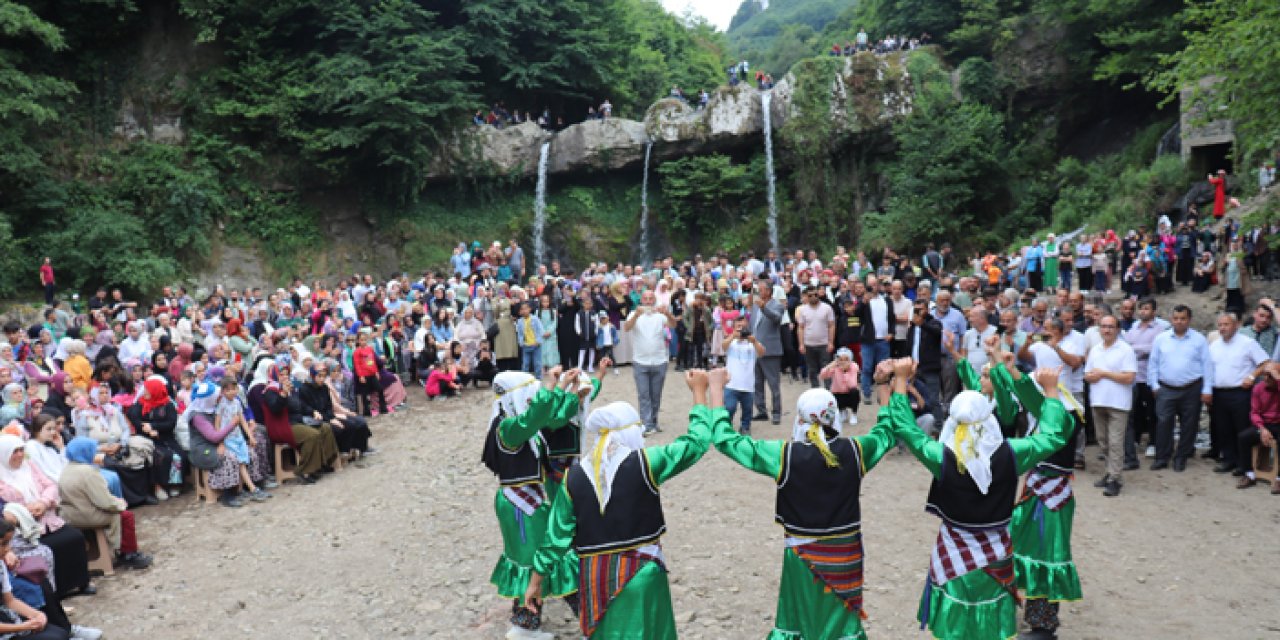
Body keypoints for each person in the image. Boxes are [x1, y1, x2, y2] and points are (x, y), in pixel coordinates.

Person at [523, 369, 726, 639]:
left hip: (595, 578)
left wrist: (535, 583)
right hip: (642, 574)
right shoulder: (646, 463)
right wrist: (699, 393)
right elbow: (696, 443)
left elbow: (555, 539)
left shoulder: (574, 478)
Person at [889, 359, 1070, 640]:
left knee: (956, 614)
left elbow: (905, 428)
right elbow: (1054, 435)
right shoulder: (1012, 454)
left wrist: (900, 381)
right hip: (996, 549)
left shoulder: (942, 457)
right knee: (991, 617)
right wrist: (1052, 393)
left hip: (953, 547)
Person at [710, 376, 899, 639]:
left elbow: (727, 441)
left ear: (799, 418)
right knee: (841, 621)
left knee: (800, 618)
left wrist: (716, 392)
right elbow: (887, 432)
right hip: (846, 555)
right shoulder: (855, 450)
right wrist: (890, 386)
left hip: (802, 555)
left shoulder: (784, 455)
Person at [481, 368, 582, 637]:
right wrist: (551, 386)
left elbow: (549, 416)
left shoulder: (514, 424)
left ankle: (525, 624)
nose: (531, 399)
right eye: (529, 394)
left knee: (535, 559)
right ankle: (588, 621)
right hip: (520, 505)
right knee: (543, 558)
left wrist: (562, 387)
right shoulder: (509, 428)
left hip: (525, 501)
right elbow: (536, 416)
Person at [0, 436, 90, 599]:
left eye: (21, 450)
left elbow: (50, 485)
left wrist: (43, 502)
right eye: (14, 452)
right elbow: (6, 506)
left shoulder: (29, 466)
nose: (20, 455)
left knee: (75, 537)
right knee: (49, 548)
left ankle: (80, 582)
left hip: (47, 517)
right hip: (24, 530)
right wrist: (26, 510)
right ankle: (57, 592)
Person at [57, 437, 152, 570]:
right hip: (86, 516)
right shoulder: (88, 472)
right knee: (125, 516)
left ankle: (123, 552)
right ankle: (128, 554)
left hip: (70, 515)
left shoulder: (67, 469)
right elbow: (104, 501)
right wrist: (120, 503)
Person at [1148, 305, 1213, 472]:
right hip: (1166, 388)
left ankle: (1181, 457)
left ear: (1189, 320)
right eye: (1176, 318)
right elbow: (1153, 363)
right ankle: (1162, 457)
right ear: (1171, 319)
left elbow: (1207, 365)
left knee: (1189, 424)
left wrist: (1207, 389)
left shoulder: (1199, 339)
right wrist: (1154, 385)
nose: (1179, 321)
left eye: (1183, 318)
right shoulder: (1161, 338)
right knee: (1163, 423)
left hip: (1191, 388)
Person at [1207, 312, 1270, 477]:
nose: (1222, 328)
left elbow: (1265, 363)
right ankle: (1228, 460)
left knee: (1241, 428)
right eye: (1220, 325)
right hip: (1219, 392)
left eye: (1226, 324)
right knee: (1223, 428)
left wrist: (1252, 376)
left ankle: (1244, 465)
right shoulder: (1214, 345)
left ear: (1236, 325)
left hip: (1240, 393)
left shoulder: (1247, 343)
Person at [1084, 315, 1137, 496]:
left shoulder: (1125, 350)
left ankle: (1115, 479)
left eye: (1110, 327)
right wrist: (1092, 376)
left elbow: (1129, 377)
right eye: (1103, 326)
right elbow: (1087, 374)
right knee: (1103, 441)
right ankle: (1109, 472)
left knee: (1115, 442)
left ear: (1117, 329)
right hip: (1098, 401)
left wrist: (1104, 374)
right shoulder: (1095, 350)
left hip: (1118, 403)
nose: (1106, 330)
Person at [624, 291, 677, 435]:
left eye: (650, 299)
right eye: (645, 299)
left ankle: (653, 421)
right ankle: (646, 424)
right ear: (641, 300)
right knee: (644, 394)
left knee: (656, 394)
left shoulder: (660, 315)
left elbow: (673, 325)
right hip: (640, 361)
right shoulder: (634, 314)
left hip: (660, 360)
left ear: (654, 300)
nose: (648, 301)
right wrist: (636, 315)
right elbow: (626, 328)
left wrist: (667, 313)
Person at [1238, 362, 1280, 492]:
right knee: (1243, 437)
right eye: (1264, 375)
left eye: (1270, 375)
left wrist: (1278, 379)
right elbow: (1254, 412)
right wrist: (1262, 429)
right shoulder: (1258, 388)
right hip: (1264, 424)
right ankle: (1249, 474)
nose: (1266, 378)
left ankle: (1279, 479)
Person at [748, 283, 785, 426]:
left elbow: (776, 318)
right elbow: (753, 326)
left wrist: (764, 307)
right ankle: (761, 410)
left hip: (771, 350)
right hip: (755, 350)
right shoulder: (755, 306)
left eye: (761, 290)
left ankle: (776, 412)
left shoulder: (778, 305)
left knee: (773, 383)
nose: (758, 292)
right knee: (757, 383)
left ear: (769, 291)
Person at [722, 317, 764, 435]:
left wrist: (754, 341)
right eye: (738, 327)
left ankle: (745, 427)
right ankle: (726, 426)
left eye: (743, 327)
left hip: (748, 385)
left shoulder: (752, 343)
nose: (741, 330)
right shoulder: (732, 342)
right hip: (731, 384)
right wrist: (732, 336)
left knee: (747, 410)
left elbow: (762, 353)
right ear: (734, 328)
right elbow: (723, 346)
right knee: (729, 408)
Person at [796, 286, 835, 389]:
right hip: (809, 344)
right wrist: (801, 344)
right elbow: (800, 328)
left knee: (826, 369)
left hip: (824, 344)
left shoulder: (827, 308)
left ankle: (828, 392)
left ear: (819, 294)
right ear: (806, 297)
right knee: (812, 370)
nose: (813, 297)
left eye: (815, 294)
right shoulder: (803, 310)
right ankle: (815, 391)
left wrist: (831, 342)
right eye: (810, 295)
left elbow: (831, 325)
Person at [819, 348, 861, 424]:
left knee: (855, 392)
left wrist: (845, 372)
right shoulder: (835, 367)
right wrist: (829, 366)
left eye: (846, 359)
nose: (843, 362)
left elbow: (852, 384)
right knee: (830, 396)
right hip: (837, 393)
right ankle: (842, 411)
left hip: (849, 394)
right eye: (840, 359)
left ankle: (854, 414)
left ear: (850, 360)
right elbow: (822, 376)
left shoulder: (854, 366)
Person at [515, 302, 545, 378]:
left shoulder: (535, 319)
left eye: (526, 308)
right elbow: (520, 334)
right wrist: (521, 342)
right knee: (525, 363)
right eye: (522, 309)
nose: (524, 311)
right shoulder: (520, 321)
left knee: (537, 363)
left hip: (536, 345)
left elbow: (540, 330)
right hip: (526, 345)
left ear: (530, 309)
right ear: (520, 311)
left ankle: (538, 378)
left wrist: (538, 341)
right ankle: (524, 379)